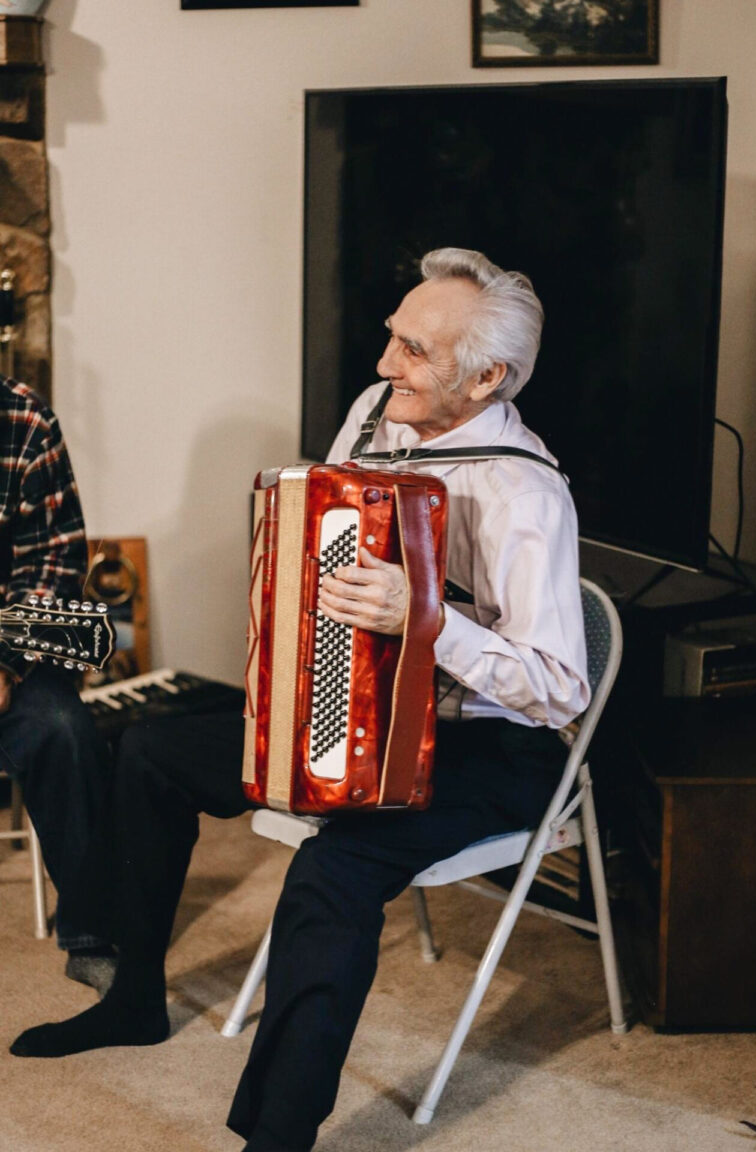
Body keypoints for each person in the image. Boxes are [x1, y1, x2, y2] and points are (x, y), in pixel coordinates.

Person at [10, 248, 589, 1152]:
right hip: (354, 701)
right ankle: (131, 1000)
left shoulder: (525, 496)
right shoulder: (376, 416)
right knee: (150, 752)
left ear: (487, 378)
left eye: (413, 352)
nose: (383, 365)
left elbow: (559, 688)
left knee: (333, 873)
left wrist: (427, 619)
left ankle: (277, 1137)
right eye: (391, 338)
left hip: (490, 746)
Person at [0, 374, 115, 991]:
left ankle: (90, 931)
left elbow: (55, 563)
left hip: (6, 640)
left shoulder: (25, 422)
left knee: (64, 730)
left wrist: (6, 662)